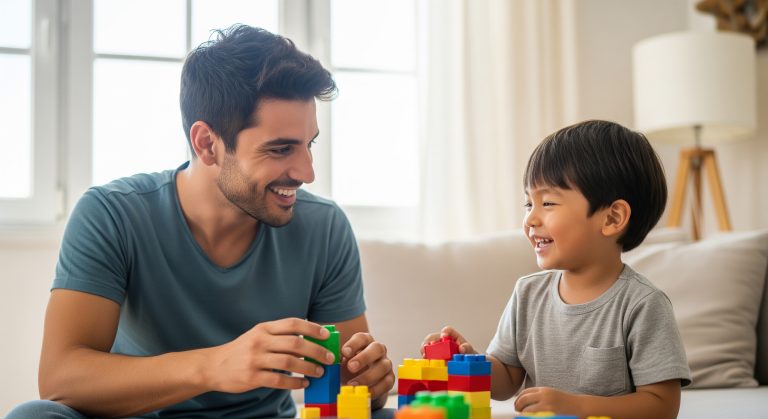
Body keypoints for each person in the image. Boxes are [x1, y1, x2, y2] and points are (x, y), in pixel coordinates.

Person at [7, 25, 394, 419]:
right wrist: (215, 365)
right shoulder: (111, 214)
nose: (307, 172)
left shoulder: (324, 227)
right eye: (280, 149)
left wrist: (370, 384)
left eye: (308, 145)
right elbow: (61, 380)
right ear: (207, 143)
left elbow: (348, 387)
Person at [422, 120, 691, 419]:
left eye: (547, 202)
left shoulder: (643, 305)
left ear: (612, 218)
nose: (531, 219)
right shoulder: (527, 294)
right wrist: (469, 363)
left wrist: (580, 407)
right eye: (528, 204)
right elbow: (506, 382)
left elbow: (661, 406)